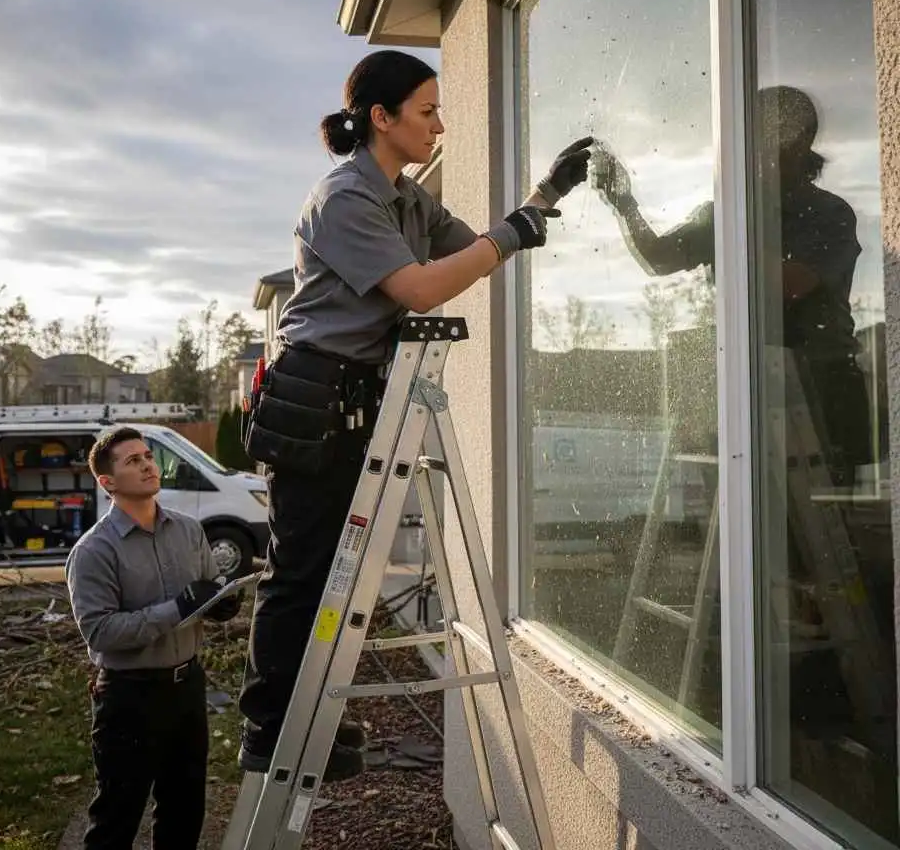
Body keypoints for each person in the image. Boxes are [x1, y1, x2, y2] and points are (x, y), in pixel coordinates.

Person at [237, 49, 593, 781]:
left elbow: (473, 249)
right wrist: (513, 233)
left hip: (356, 396)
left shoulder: (405, 196)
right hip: (311, 396)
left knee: (337, 571)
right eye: (427, 111)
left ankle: (313, 720)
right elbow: (425, 288)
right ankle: (271, 729)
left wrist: (544, 198)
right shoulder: (345, 198)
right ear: (382, 117)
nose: (439, 125)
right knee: (303, 573)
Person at [593, 84, 871, 483]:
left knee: (825, 535)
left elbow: (790, 284)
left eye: (760, 134)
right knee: (747, 524)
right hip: (749, 389)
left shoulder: (828, 213)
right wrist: (623, 203)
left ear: (797, 143)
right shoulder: (728, 214)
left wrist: (732, 221)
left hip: (822, 396)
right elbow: (659, 258)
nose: (748, 145)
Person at [66, 425, 242, 850]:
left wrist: (220, 604)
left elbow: (206, 589)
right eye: (133, 461)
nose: (148, 464)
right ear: (107, 483)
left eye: (148, 456)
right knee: (116, 817)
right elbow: (101, 632)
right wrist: (178, 608)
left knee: (184, 810)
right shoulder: (94, 551)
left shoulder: (188, 531)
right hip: (129, 698)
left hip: (186, 689)